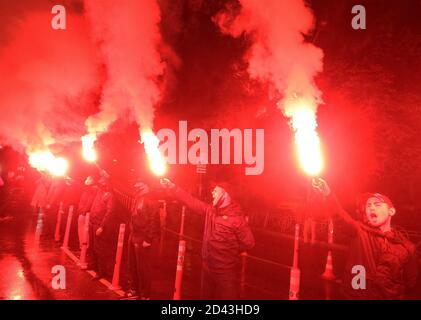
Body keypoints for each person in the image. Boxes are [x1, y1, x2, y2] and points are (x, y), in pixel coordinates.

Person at [312, 178, 418, 299]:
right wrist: (328, 194)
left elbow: (412, 284)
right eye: (368, 205)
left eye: (377, 204)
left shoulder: (407, 247)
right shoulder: (359, 231)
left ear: (391, 211)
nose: (371, 208)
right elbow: (339, 215)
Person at [160, 178, 255, 300]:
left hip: (225, 274)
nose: (212, 193)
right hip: (207, 269)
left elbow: (249, 243)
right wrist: (173, 187)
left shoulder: (236, 219)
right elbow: (191, 201)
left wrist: (231, 252)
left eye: (216, 190)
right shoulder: (210, 211)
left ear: (226, 194)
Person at [125, 181, 160, 300]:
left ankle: (145, 294)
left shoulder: (151, 199)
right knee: (132, 265)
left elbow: (154, 220)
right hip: (134, 234)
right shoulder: (138, 198)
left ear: (147, 186)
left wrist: (148, 239)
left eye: (141, 184)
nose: (137, 186)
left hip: (142, 237)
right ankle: (135, 290)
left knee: (143, 268)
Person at [88, 176, 116, 279]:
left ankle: (101, 272)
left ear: (107, 183)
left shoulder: (110, 196)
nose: (100, 183)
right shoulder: (100, 192)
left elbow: (110, 212)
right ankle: (94, 267)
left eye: (102, 181)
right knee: (92, 247)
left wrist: (102, 227)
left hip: (99, 225)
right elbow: (91, 187)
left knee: (100, 249)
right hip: (93, 223)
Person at [77, 176, 98, 249]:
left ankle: (84, 247)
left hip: (86, 214)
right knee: (82, 231)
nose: (86, 179)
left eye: (88, 179)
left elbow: (89, 202)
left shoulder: (91, 191)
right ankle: (83, 247)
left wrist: (84, 211)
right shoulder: (87, 190)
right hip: (83, 213)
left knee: (85, 231)